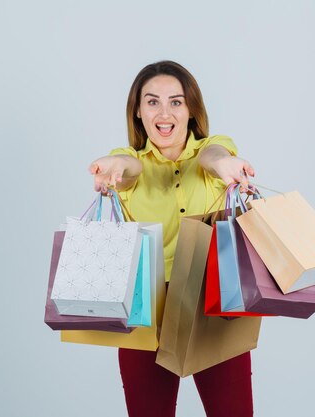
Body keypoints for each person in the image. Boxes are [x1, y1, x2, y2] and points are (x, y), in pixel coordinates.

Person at [89, 60, 256, 417]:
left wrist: (225, 164)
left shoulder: (212, 150)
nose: (164, 113)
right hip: (146, 308)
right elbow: (128, 166)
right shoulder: (131, 163)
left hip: (212, 300)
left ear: (191, 109)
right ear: (138, 110)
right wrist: (114, 165)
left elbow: (214, 156)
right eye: (152, 102)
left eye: (176, 102)